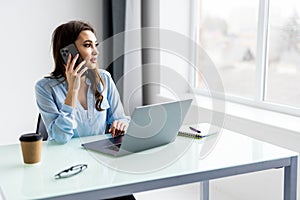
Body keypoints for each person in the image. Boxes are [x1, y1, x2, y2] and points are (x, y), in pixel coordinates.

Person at [35, 21, 134, 200]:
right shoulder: (45, 88)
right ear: (68, 52)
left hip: (101, 165)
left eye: (95, 45)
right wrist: (72, 90)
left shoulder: (104, 79)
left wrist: (121, 123)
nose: (95, 51)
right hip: (66, 170)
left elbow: (121, 118)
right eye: (88, 45)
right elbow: (60, 137)